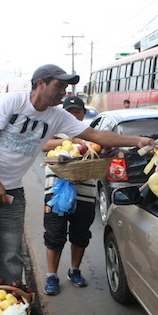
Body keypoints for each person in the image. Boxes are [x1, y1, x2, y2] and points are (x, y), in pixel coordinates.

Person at [0, 64, 155, 315]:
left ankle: (13, 298)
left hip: (11, 189)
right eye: (59, 86)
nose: (63, 92)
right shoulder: (12, 103)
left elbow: (94, 135)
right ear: (40, 83)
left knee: (11, 250)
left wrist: (137, 140)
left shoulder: (57, 115)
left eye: (65, 87)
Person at [41, 96, 97, 295]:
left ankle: (74, 270)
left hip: (86, 193)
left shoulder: (91, 136)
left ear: (83, 114)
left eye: (77, 112)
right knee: (54, 235)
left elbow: (101, 153)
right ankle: (51, 276)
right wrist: (69, 140)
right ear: (62, 113)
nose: (73, 115)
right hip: (55, 193)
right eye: (69, 112)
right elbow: (43, 145)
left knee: (80, 235)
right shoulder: (52, 132)